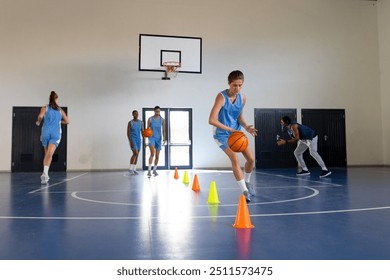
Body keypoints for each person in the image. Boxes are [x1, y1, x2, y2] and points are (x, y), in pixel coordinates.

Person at [209, 70, 257, 203]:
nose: (237, 88)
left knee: (251, 160)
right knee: (234, 158)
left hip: (236, 134)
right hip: (222, 134)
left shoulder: (243, 98)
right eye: (234, 85)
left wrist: (247, 127)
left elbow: (239, 117)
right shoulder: (221, 97)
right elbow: (212, 120)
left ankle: (247, 182)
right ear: (229, 84)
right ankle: (244, 191)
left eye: (240, 85)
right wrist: (230, 129)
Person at [35, 91, 70, 184]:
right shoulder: (60, 110)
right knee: (49, 154)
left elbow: (40, 116)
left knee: (46, 153)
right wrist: (59, 121)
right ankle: (45, 174)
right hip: (55, 133)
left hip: (45, 132)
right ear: (56, 99)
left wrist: (38, 121)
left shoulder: (44, 107)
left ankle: (45, 174)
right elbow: (67, 121)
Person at [146, 106, 166, 177]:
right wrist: (146, 139)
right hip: (151, 138)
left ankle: (154, 170)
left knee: (157, 156)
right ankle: (149, 170)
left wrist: (164, 138)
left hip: (159, 139)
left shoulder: (162, 120)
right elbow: (147, 130)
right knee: (152, 154)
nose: (158, 113)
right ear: (154, 111)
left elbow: (163, 130)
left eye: (159, 111)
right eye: (156, 111)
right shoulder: (150, 119)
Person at [127, 110, 144, 175]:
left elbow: (142, 132)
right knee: (135, 153)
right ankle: (130, 168)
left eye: (136, 114)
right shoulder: (130, 123)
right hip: (132, 139)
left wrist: (144, 141)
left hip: (139, 140)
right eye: (134, 114)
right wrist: (130, 141)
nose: (135, 115)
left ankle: (134, 169)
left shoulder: (141, 122)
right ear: (132, 115)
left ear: (138, 114)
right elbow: (128, 133)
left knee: (137, 154)